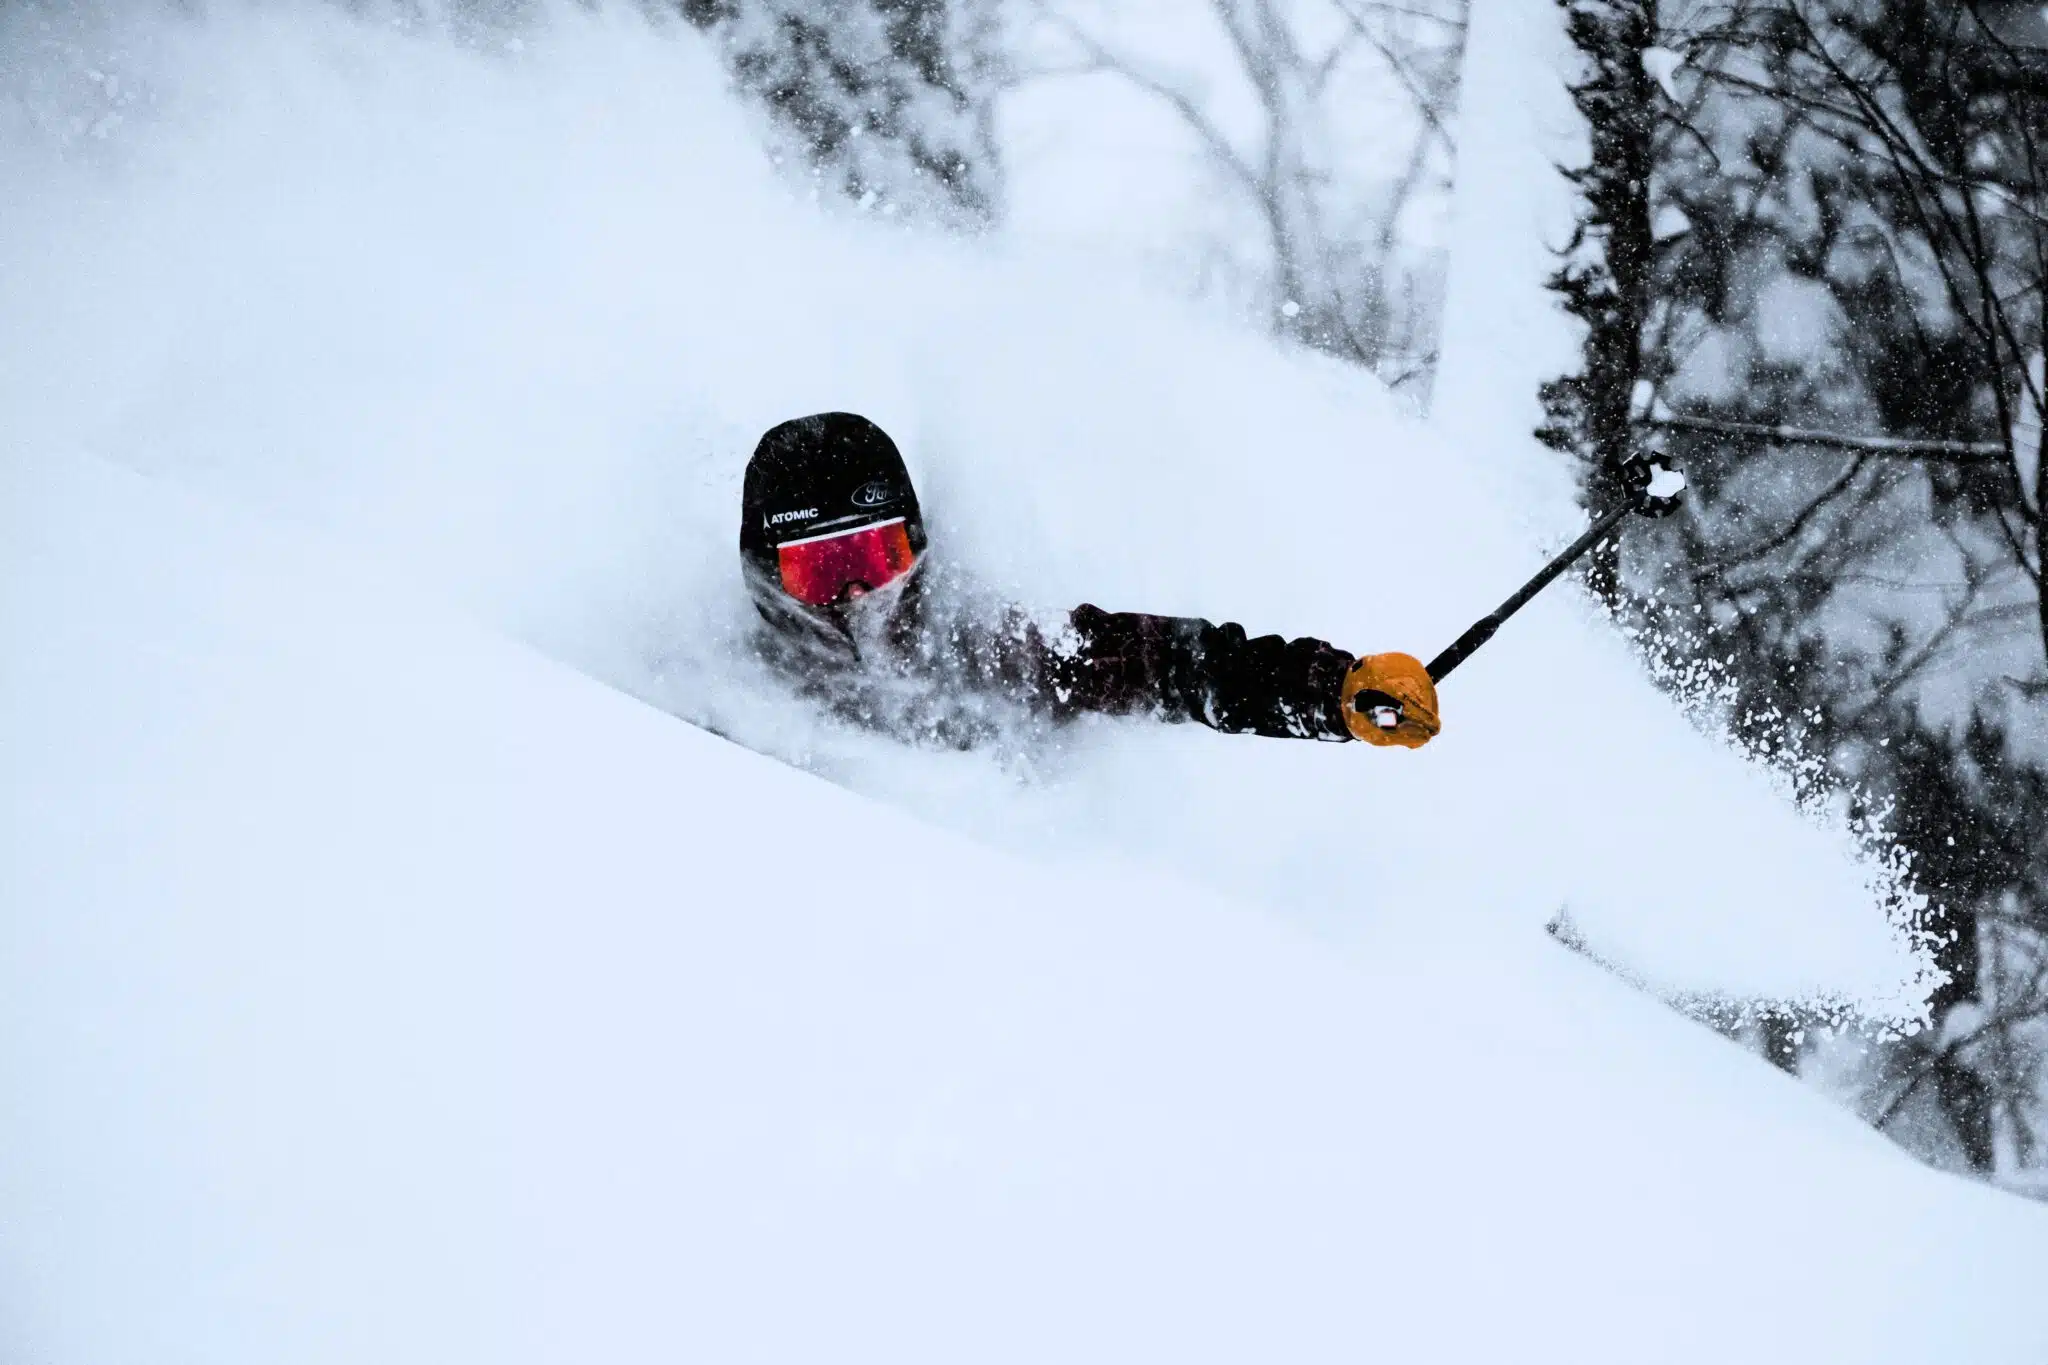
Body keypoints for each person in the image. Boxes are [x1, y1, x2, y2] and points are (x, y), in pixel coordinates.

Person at [739, 411, 1440, 750]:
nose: (861, 593)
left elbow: (1164, 662)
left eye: (879, 556)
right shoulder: (734, 687)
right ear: (768, 575)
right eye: (822, 570)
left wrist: (1327, 691)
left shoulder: (977, 644)